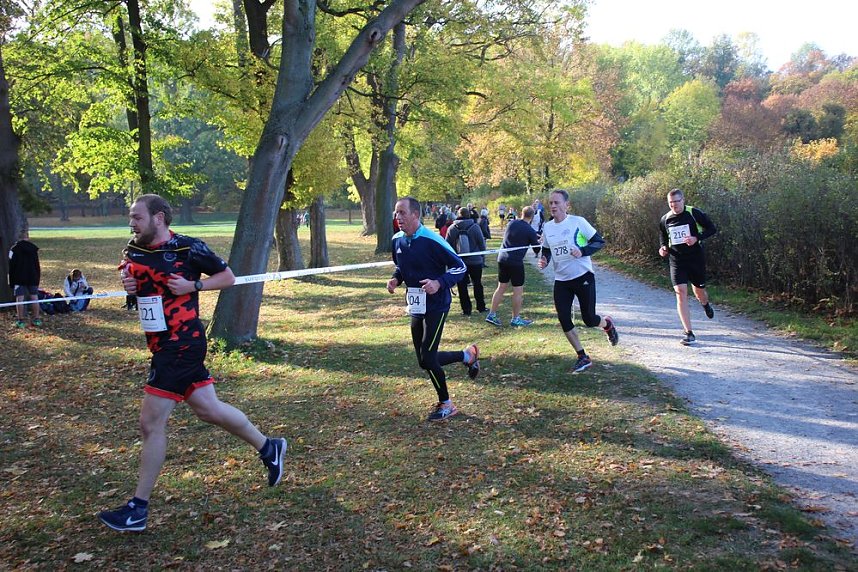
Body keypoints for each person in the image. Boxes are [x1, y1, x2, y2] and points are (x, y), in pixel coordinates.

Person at [98, 194, 286, 532]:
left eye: (137, 217)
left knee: (150, 424)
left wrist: (193, 284)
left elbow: (227, 277)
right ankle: (269, 447)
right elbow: (136, 284)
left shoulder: (188, 248)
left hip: (181, 344)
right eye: (131, 218)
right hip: (159, 343)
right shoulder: (133, 249)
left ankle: (137, 510)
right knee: (209, 410)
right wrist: (129, 286)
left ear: (159, 218)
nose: (132, 223)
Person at [387, 197, 480, 422]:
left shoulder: (432, 240)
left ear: (415, 215)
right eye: (396, 213)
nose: (398, 217)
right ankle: (467, 355)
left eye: (402, 213)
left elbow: (460, 266)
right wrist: (395, 279)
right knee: (423, 360)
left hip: (437, 303)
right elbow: (401, 266)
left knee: (428, 357)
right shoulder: (397, 240)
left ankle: (447, 404)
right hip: (416, 304)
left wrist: (439, 282)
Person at [538, 189, 619, 373]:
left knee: (589, 319)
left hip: (583, 276)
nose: (552, 206)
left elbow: (598, 242)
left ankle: (607, 325)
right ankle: (582, 356)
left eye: (557, 203)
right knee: (564, 319)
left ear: (567, 205)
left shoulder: (578, 222)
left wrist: (582, 251)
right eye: (550, 203)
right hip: (562, 280)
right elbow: (547, 249)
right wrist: (544, 259)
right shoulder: (548, 227)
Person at [658, 188, 717, 345]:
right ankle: (688, 332)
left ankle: (705, 304)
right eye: (671, 203)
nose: (674, 206)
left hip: (695, 259)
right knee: (680, 292)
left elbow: (712, 229)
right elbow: (663, 237)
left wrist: (696, 238)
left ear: (683, 200)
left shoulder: (694, 213)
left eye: (676, 202)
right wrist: (663, 248)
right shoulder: (665, 219)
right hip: (677, 260)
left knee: (699, 292)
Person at [485, 205, 542, 328]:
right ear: (532, 217)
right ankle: (515, 318)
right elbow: (537, 250)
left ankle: (492, 314)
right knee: (518, 290)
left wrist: (533, 237)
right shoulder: (530, 230)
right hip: (515, 262)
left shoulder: (511, 223)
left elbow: (516, 235)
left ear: (522, 213)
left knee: (501, 287)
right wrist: (539, 241)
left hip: (502, 259)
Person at [446, 207, 487, 316]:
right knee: (477, 284)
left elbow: (447, 247)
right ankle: (481, 307)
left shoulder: (451, 228)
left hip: (459, 263)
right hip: (475, 261)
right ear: (469, 215)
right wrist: (483, 258)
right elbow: (482, 244)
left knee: (462, 286)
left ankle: (466, 310)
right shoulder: (475, 227)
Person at [8, 228, 42, 328]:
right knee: (34, 297)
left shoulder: (13, 249)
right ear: (27, 236)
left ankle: (20, 320)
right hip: (32, 277)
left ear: (18, 238)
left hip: (19, 277)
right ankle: (36, 318)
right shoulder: (34, 249)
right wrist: (37, 277)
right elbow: (37, 265)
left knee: (20, 298)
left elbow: (11, 266)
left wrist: (11, 280)